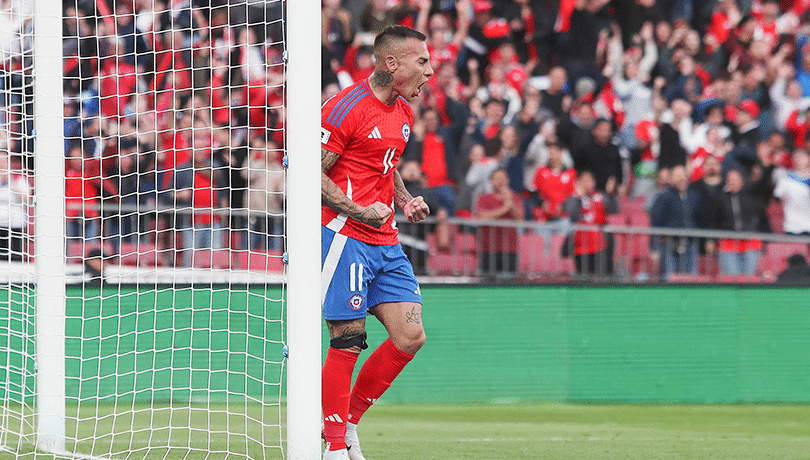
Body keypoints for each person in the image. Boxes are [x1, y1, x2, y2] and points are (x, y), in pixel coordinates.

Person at [320, 25, 432, 460]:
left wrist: (405, 200)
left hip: (385, 239)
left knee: (410, 335)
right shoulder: (347, 108)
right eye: (421, 61)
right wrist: (358, 210)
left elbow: (383, 165)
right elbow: (314, 173)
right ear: (392, 63)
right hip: (344, 236)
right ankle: (331, 448)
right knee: (348, 338)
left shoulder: (402, 112)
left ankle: (347, 424)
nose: (430, 70)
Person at [650, 165, 700, 278]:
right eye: (678, 176)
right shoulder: (663, 198)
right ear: (671, 179)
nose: (682, 179)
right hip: (669, 244)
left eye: (683, 175)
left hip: (690, 243)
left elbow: (700, 220)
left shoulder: (694, 197)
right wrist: (654, 248)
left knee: (691, 280)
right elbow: (655, 223)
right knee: (669, 278)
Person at [474, 168, 525, 277]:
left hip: (510, 250)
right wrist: (505, 208)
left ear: (507, 180)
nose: (500, 181)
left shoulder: (515, 198)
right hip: (488, 249)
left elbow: (520, 218)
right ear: (491, 181)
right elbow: (482, 216)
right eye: (497, 179)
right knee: (486, 282)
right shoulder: (484, 198)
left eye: (502, 178)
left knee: (511, 283)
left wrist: (510, 203)